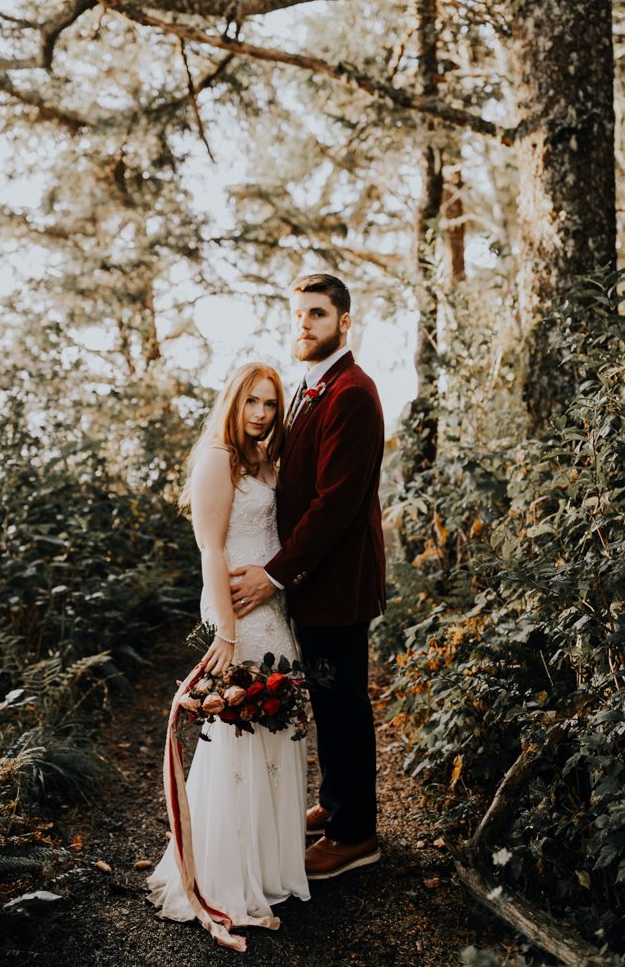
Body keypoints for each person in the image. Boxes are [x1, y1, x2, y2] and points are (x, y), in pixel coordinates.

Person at [146, 363, 310, 936]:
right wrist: (225, 631)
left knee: (276, 732)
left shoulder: (267, 461)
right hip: (240, 618)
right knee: (237, 738)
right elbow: (210, 551)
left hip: (275, 615)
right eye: (253, 403)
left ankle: (268, 868)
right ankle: (224, 875)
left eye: (271, 404)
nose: (262, 414)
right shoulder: (218, 458)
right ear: (234, 403)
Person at [231, 274, 386, 880]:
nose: (303, 325)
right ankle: (339, 803)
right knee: (327, 699)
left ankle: (356, 834)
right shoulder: (307, 388)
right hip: (316, 580)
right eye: (297, 315)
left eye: (316, 315)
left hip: (336, 583)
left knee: (342, 704)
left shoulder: (351, 393)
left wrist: (274, 575)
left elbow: (335, 505)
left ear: (343, 323)